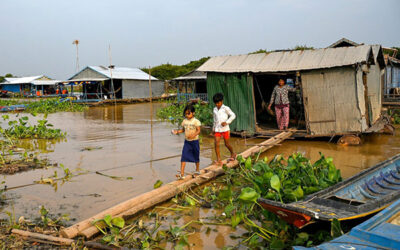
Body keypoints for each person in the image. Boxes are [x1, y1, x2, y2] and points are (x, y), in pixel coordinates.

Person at [172, 104, 201, 180]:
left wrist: (193, 135)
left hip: (195, 141)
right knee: (184, 156)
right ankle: (182, 173)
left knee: (196, 156)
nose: (187, 115)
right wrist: (177, 131)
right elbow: (183, 130)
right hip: (187, 142)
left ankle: (197, 170)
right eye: (186, 114)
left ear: (193, 113)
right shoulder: (184, 121)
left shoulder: (196, 121)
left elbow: (198, 130)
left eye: (189, 113)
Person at [212, 93, 236, 165]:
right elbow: (215, 120)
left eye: (218, 103)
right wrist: (213, 128)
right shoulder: (214, 109)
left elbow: (233, 115)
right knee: (216, 144)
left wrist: (227, 122)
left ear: (222, 101)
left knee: (227, 144)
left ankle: (232, 153)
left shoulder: (226, 108)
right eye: (215, 103)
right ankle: (219, 159)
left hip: (225, 129)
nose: (217, 104)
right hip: (217, 129)